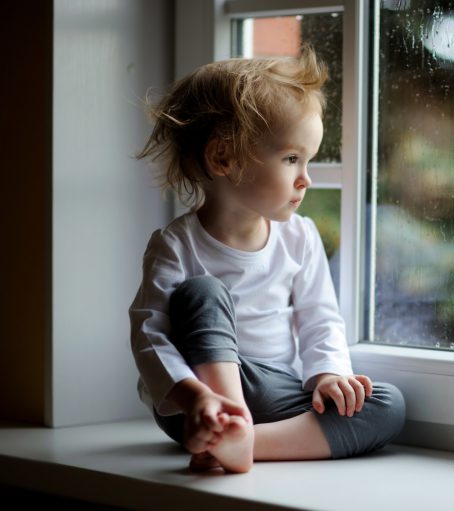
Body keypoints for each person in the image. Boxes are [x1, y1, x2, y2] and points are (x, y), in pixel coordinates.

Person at [129, 48, 405, 474]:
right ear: (224, 158)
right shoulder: (176, 245)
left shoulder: (300, 237)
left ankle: (245, 442)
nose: (305, 178)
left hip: (274, 389)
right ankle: (226, 420)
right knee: (202, 291)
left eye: (308, 160)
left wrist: (328, 375)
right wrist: (195, 398)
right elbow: (150, 335)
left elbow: (320, 319)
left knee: (386, 404)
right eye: (291, 158)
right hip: (194, 404)